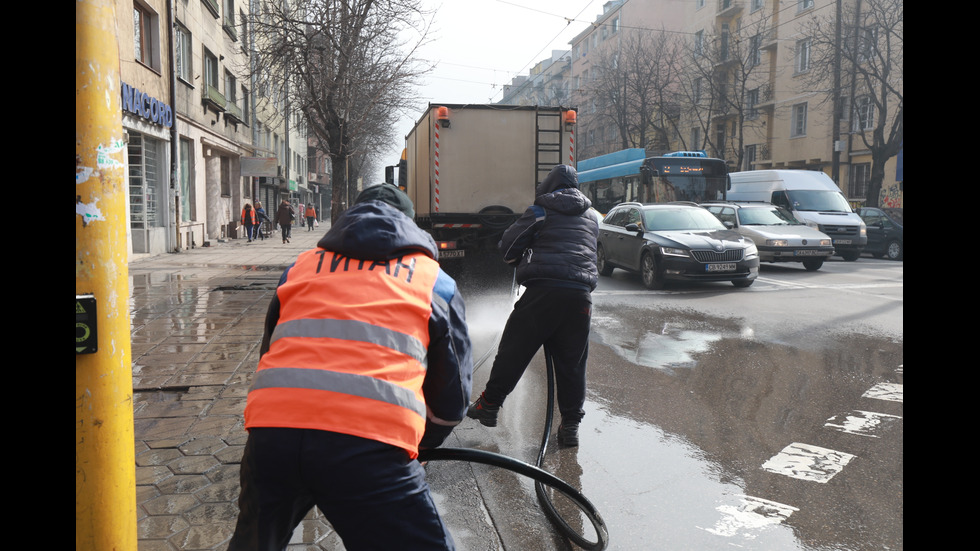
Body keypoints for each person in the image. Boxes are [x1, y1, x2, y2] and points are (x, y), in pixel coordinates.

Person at [228, 183, 473, 551]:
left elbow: (272, 352)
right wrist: (420, 447)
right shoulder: (435, 282)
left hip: (271, 440)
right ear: (409, 225)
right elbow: (451, 399)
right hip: (370, 448)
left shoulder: (300, 268)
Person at [467, 165, 599, 447]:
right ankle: (570, 427)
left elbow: (508, 245)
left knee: (514, 349)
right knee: (573, 363)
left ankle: (489, 405)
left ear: (548, 187)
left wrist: (521, 258)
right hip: (580, 297)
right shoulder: (591, 217)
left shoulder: (540, 211)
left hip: (543, 291)